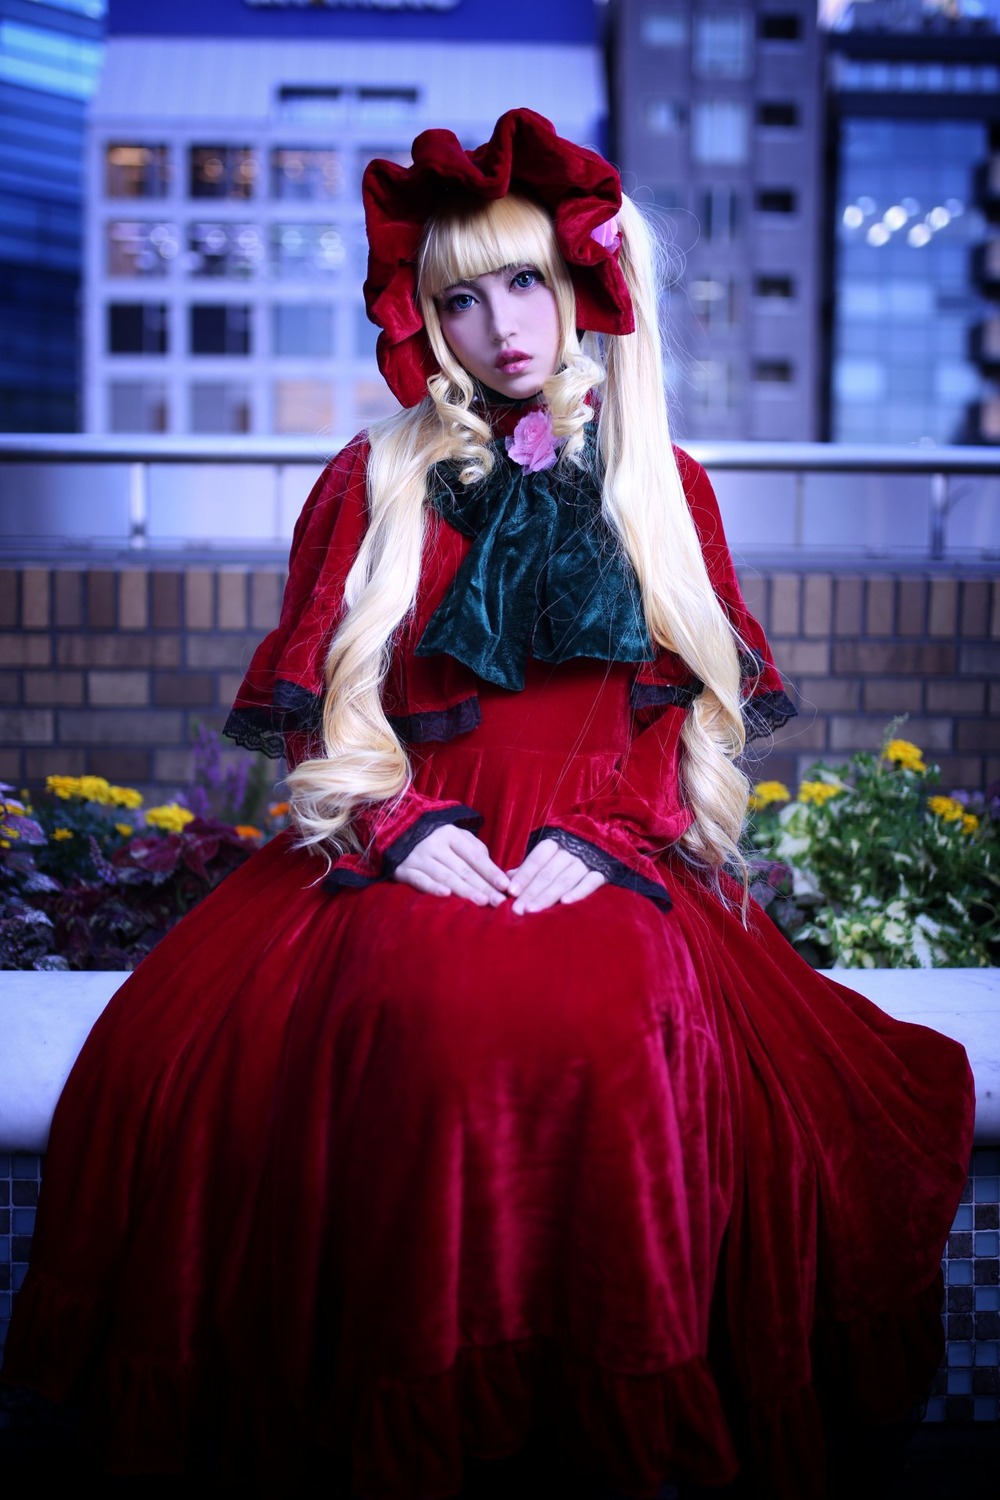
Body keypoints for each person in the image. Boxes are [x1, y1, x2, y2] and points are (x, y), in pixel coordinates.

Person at [1, 109, 975, 1500]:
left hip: (616, 852)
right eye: (461, 296)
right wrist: (401, 835)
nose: (502, 325)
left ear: (585, 287)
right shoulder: (372, 481)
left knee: (617, 1028)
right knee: (428, 1022)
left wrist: (608, 843)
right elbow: (331, 731)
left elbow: (681, 724)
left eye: (527, 282)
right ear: (424, 319)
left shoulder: (664, 485)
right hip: (402, 847)